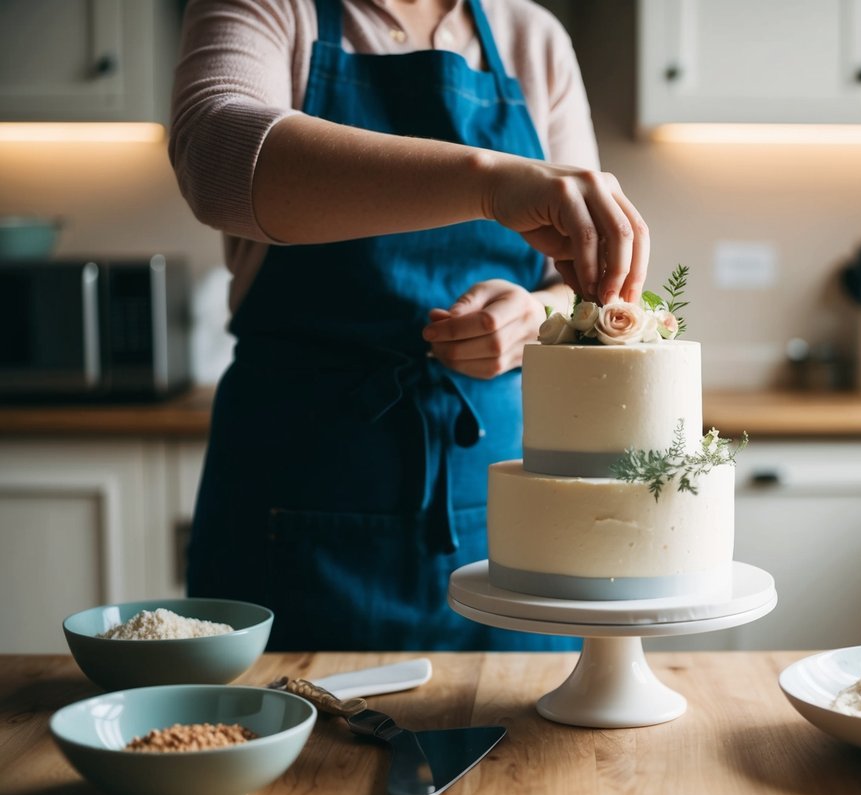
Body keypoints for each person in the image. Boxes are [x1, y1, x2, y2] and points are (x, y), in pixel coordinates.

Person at [170, 0, 650, 650]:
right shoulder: (276, 9)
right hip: (295, 492)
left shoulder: (529, 36)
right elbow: (216, 156)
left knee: (524, 738)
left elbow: (568, 284)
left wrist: (532, 316)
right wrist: (488, 178)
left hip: (503, 503)